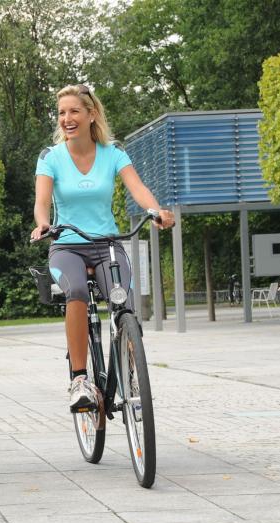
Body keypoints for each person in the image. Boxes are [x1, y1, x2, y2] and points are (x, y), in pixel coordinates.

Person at [30, 84, 174, 412]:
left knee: (123, 301)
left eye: (74, 112)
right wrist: (43, 224)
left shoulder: (113, 154)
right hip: (67, 245)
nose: (67, 118)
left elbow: (138, 188)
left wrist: (156, 211)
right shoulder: (50, 158)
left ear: (91, 114)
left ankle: (132, 375)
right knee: (77, 291)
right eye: (62, 113)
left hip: (107, 245)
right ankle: (79, 380)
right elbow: (41, 204)